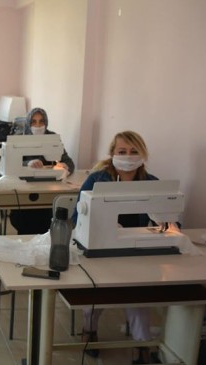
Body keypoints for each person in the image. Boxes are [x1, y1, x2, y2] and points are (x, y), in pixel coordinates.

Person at [73, 130, 163, 364]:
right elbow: (77, 217)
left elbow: (172, 221)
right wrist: (102, 222)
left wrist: (164, 224)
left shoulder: (152, 184)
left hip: (137, 250)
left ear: (143, 155)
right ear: (112, 153)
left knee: (138, 296)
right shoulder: (97, 180)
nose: (128, 156)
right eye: (122, 151)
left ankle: (141, 345)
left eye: (134, 152)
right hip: (100, 249)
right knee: (96, 293)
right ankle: (89, 330)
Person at [8, 107, 76, 235]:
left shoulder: (53, 138)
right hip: (24, 195)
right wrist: (27, 164)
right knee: (27, 221)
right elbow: (10, 162)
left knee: (47, 216)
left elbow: (69, 162)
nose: (38, 125)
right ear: (28, 123)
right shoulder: (19, 139)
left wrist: (65, 167)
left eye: (41, 121)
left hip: (47, 193)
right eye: (33, 122)